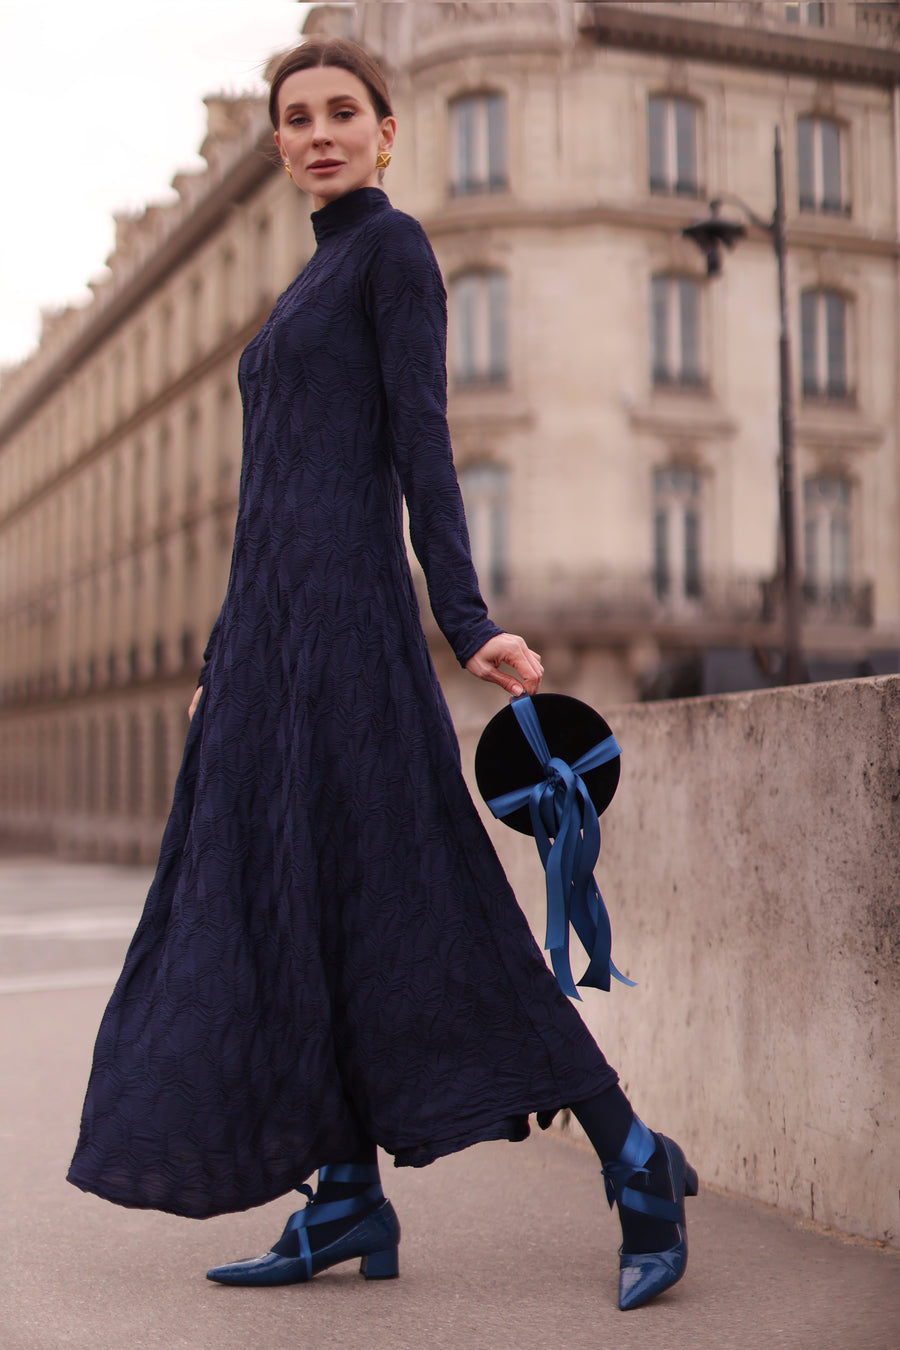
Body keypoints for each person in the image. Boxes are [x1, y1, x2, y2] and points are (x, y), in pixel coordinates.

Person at [67, 37, 697, 1312]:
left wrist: (466, 626)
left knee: (433, 902)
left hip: (353, 634)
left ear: (386, 130)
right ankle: (344, 1194)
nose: (316, 133)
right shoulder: (308, 279)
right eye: (294, 118)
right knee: (283, 918)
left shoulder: (392, 252)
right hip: (269, 653)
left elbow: (424, 444)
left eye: (341, 112)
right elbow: (265, 502)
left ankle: (634, 1158)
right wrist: (218, 658)